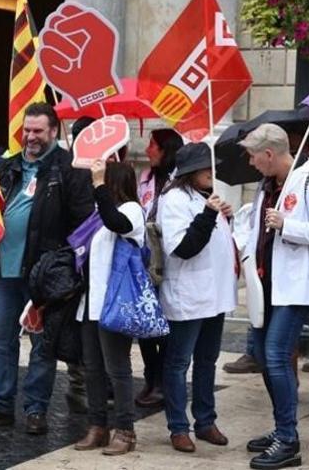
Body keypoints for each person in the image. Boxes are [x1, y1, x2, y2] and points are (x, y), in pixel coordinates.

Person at [0, 103, 92, 434]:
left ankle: (36, 410)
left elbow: (83, 221)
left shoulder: (70, 168)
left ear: (53, 131)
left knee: (41, 346)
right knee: (0, 338)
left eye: (38, 131)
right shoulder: (6, 166)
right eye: (27, 130)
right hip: (5, 271)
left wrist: (66, 266)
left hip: (43, 276)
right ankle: (0, 405)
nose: (31, 137)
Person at [239, 123, 309, 470]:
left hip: (295, 287)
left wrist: (287, 225)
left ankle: (288, 439)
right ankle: (282, 426)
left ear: (269, 154)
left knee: (277, 355)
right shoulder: (267, 186)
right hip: (266, 284)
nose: (251, 163)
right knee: (265, 358)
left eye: (253, 157)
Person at [156, 143, 236, 453]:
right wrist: (208, 214)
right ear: (189, 171)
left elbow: (222, 245)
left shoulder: (207, 199)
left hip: (214, 295)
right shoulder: (174, 199)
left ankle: (205, 421)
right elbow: (184, 247)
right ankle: (178, 426)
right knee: (178, 363)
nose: (211, 172)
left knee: (207, 360)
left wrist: (224, 216)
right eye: (205, 167)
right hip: (188, 294)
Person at [71, 156, 144, 456]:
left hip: (116, 303)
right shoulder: (99, 213)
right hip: (92, 303)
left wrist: (99, 185)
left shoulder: (132, 211)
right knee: (93, 369)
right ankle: (97, 426)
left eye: (101, 179)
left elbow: (118, 224)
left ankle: (125, 430)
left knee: (118, 369)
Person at [135, 128, 183, 407]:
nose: (147, 149)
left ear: (166, 150)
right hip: (145, 261)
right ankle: (151, 376)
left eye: (153, 145)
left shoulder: (179, 182)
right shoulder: (145, 179)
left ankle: (163, 382)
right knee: (145, 324)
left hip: (169, 264)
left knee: (163, 326)